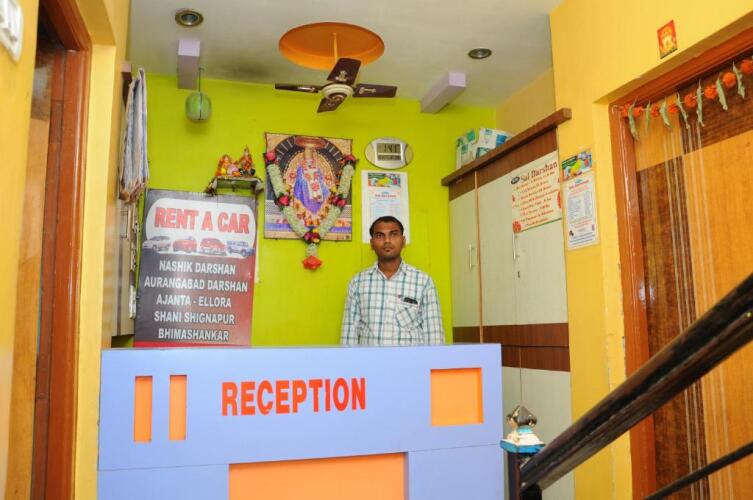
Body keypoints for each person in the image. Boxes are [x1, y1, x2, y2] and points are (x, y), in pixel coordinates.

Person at [340, 216, 445, 346]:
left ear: (403, 241)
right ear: (372, 243)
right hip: (370, 359)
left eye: (394, 234)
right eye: (380, 236)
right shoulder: (358, 283)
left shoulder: (423, 282)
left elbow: (434, 335)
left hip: (411, 359)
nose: (387, 241)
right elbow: (349, 334)